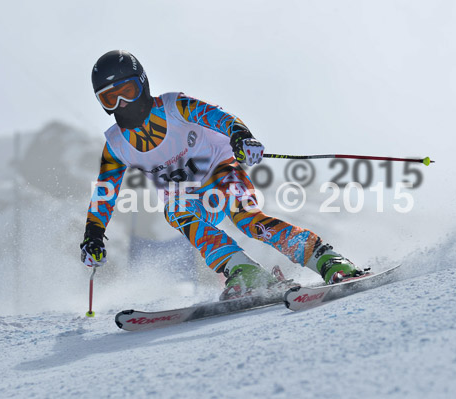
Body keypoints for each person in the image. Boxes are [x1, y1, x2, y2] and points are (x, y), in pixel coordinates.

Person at [80, 50, 364, 299]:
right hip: (184, 196)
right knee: (176, 212)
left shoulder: (174, 107)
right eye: (109, 99)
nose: (121, 104)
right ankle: (244, 271)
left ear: (142, 84)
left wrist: (241, 136)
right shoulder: (116, 145)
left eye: (126, 92)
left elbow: (217, 116)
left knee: (248, 220)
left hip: (220, 172)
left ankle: (327, 259)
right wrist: (94, 233)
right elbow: (106, 190)